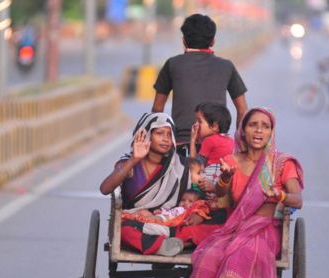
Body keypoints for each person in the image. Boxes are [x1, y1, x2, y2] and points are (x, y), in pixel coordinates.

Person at [183, 108, 304, 278]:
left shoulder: (282, 163)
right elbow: (224, 201)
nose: (259, 130)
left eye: (265, 126)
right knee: (209, 257)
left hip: (265, 230)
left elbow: (297, 199)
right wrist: (224, 181)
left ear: (271, 132)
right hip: (235, 228)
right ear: (243, 130)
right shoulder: (231, 161)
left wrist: (279, 195)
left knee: (236, 261)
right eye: (253, 125)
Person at [152, 13, 248, 156]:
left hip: (181, 145)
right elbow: (242, 110)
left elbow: (158, 108)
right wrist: (240, 145)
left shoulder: (172, 64)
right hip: (217, 147)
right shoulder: (226, 66)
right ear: (213, 41)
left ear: (184, 41)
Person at [100, 112, 192, 256]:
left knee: (200, 227)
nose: (166, 139)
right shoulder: (128, 163)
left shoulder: (180, 165)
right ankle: (162, 246)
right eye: (160, 133)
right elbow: (105, 189)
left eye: (169, 134)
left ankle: (165, 242)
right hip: (138, 224)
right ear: (146, 135)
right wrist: (134, 160)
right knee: (123, 230)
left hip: (168, 222)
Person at [189, 101, 235, 190]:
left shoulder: (209, 141)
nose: (195, 125)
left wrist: (192, 140)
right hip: (224, 188)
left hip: (207, 186)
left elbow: (195, 165)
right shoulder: (231, 140)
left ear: (214, 126)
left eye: (199, 121)